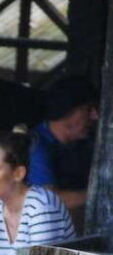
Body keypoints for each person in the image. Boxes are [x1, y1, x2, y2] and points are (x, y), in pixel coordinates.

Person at [28, 76, 99, 211]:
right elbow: (47, 200)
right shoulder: (36, 146)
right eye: (89, 109)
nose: (95, 116)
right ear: (66, 110)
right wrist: (101, 193)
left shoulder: (83, 144)